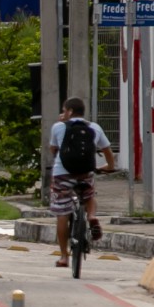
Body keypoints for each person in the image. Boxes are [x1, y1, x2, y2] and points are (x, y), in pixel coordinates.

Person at [49, 96, 116, 266]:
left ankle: (64, 256)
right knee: (89, 193)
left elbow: (53, 149)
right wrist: (109, 166)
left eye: (64, 110)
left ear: (69, 111)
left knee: (62, 213)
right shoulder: (94, 127)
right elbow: (107, 150)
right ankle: (92, 216)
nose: (62, 113)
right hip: (85, 172)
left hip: (62, 174)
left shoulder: (58, 127)